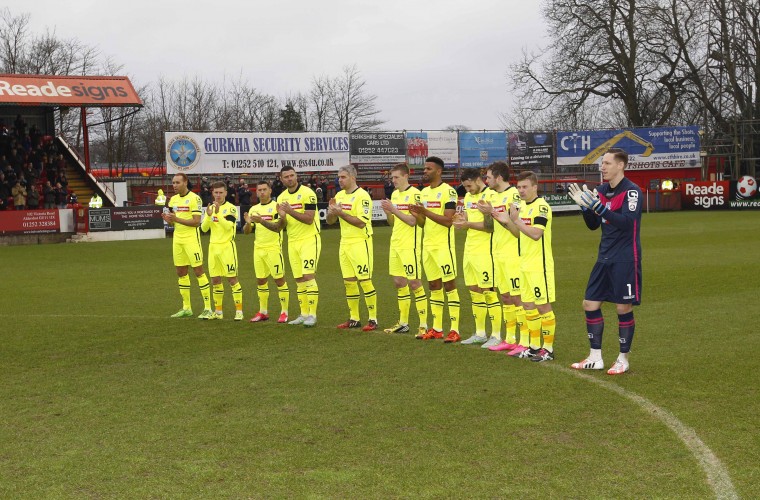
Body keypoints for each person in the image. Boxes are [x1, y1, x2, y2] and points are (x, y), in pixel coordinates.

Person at [567, 148, 643, 375]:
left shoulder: (632, 192)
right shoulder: (600, 191)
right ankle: (595, 357)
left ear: (621, 165)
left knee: (623, 307)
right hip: (604, 257)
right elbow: (593, 224)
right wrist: (585, 207)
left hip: (625, 258)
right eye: (602, 163)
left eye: (607, 163)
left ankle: (623, 359)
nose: (603, 167)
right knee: (589, 304)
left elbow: (627, 223)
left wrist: (599, 208)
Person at [493, 171, 557, 362]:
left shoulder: (542, 207)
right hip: (524, 264)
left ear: (535, 187)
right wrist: (507, 222)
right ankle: (534, 346)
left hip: (539, 265)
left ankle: (548, 349)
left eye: (525, 187)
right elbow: (518, 234)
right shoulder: (520, 207)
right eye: (519, 187)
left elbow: (536, 234)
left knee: (543, 305)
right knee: (528, 305)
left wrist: (516, 220)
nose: (521, 190)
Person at [409, 156, 461, 342]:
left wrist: (425, 212)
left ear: (438, 171)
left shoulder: (449, 192)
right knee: (433, 286)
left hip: (443, 246)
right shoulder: (423, 193)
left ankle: (454, 329)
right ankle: (437, 328)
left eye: (428, 169)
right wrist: (417, 214)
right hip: (428, 246)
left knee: (449, 285)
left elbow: (448, 221)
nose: (425, 171)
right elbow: (423, 224)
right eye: (424, 169)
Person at [478, 161, 526, 351]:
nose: (486, 180)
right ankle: (510, 338)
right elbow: (489, 227)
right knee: (505, 296)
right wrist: (487, 214)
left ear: (498, 178)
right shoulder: (490, 194)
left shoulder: (514, 195)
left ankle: (524, 340)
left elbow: (517, 230)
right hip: (497, 253)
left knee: (517, 297)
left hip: (513, 253)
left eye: (488, 177)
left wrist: (493, 212)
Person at [327, 165, 378, 331]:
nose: (339, 180)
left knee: (365, 280)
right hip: (345, 243)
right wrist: (332, 212)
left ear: (352, 177)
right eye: (339, 177)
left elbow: (361, 222)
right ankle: (354, 318)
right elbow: (330, 222)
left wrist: (340, 213)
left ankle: (373, 319)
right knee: (349, 282)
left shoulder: (363, 196)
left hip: (360, 242)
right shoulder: (339, 195)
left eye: (343, 177)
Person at [454, 168, 501, 345]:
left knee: (488, 291)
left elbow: (490, 227)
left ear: (477, 180)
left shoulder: (491, 196)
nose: (467, 190)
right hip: (469, 249)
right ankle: (480, 333)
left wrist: (467, 223)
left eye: (469, 186)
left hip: (486, 250)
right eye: (465, 187)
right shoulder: (467, 197)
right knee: (474, 291)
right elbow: (467, 219)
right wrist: (461, 220)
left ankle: (496, 335)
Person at [380, 163, 428, 335]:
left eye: (396, 177)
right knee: (399, 282)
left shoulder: (415, 194)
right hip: (396, 244)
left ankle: (423, 325)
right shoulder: (394, 194)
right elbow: (392, 222)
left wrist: (393, 209)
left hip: (410, 246)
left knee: (415, 283)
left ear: (406, 176)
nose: (393, 181)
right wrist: (388, 212)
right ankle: (403, 323)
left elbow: (413, 221)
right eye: (392, 178)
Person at [161, 173, 213, 319]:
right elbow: (174, 221)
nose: (174, 185)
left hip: (191, 240)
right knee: (181, 272)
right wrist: (169, 219)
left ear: (185, 182)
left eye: (177, 182)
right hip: (177, 239)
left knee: (198, 272)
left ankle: (208, 308)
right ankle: (186, 307)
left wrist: (176, 218)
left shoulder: (195, 198)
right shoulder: (173, 200)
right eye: (173, 183)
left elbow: (197, 222)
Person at [276, 166, 321, 327]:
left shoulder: (308, 193)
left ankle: (313, 315)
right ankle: (303, 313)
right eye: (286, 176)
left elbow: (309, 219)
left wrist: (289, 210)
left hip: (309, 239)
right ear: (281, 179)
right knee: (298, 279)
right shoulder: (281, 197)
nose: (290, 178)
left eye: (292, 175)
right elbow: (282, 225)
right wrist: (282, 217)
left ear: (296, 176)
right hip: (292, 241)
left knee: (308, 275)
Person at [244, 180, 289, 323]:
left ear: (270, 191)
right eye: (259, 190)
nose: (262, 192)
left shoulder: (276, 207)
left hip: (273, 249)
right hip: (258, 249)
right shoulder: (253, 209)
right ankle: (263, 311)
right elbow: (246, 232)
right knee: (261, 281)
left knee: (279, 280)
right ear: (256, 192)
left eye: (264, 189)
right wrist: (248, 223)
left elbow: (278, 227)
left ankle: (284, 312)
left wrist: (261, 220)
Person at [200, 182, 244, 321]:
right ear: (212, 193)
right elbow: (204, 229)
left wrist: (217, 215)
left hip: (227, 248)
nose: (218, 195)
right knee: (215, 280)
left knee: (232, 279)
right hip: (213, 248)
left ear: (225, 193)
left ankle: (239, 311)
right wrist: (208, 216)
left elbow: (229, 227)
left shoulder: (231, 209)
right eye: (215, 192)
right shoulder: (210, 208)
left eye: (220, 192)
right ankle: (218, 312)